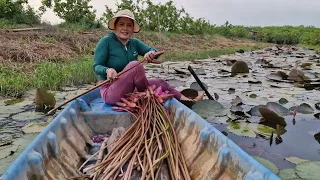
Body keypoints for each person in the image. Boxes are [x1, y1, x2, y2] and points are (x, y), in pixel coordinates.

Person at [93, 9, 204, 105]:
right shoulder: (106, 41)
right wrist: (107, 70)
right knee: (135, 65)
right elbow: (96, 66)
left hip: (131, 89)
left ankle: (187, 101)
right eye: (121, 24)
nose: (125, 28)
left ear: (133, 29)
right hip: (111, 92)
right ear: (115, 27)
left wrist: (150, 53)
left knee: (160, 82)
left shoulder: (134, 43)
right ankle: (147, 93)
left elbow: (154, 51)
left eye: (129, 25)